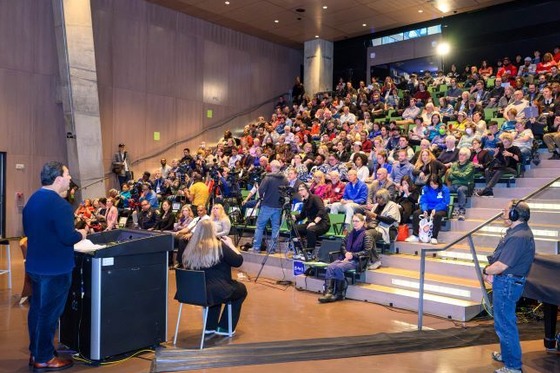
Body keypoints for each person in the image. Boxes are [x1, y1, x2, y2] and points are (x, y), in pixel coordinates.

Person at [23, 161, 88, 371]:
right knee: (49, 315)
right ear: (58, 178)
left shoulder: (33, 199)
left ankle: (37, 352)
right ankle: (44, 357)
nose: (70, 179)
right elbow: (68, 237)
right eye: (67, 175)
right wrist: (82, 234)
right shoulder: (60, 205)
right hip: (55, 270)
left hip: (35, 266)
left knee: (37, 311)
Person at [483, 200, 535, 373]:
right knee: (502, 323)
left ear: (515, 214)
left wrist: (487, 270)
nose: (503, 213)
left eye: (506, 210)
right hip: (506, 281)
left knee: (505, 324)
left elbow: (501, 265)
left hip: (507, 283)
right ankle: (507, 355)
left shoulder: (519, 237)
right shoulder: (515, 232)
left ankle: (513, 366)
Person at [181, 220, 247, 335]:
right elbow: (238, 261)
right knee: (241, 290)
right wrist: (231, 245)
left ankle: (210, 326)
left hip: (194, 292)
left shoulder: (190, 247)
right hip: (216, 291)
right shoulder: (219, 246)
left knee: (214, 289)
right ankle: (225, 327)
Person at [318, 213, 373, 303]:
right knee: (331, 266)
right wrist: (346, 253)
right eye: (353, 221)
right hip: (346, 258)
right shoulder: (350, 233)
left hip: (357, 260)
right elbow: (342, 245)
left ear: (363, 222)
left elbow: (367, 251)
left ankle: (340, 293)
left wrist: (352, 255)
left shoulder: (367, 235)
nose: (355, 223)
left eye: (357, 221)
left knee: (339, 267)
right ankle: (328, 293)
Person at [251, 160, 289, 252]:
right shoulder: (285, 179)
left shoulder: (267, 178)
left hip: (267, 205)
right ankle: (272, 249)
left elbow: (261, 190)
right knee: (275, 227)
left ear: (272, 167)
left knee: (260, 226)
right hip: (278, 206)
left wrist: (260, 196)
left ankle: (256, 247)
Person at [406, 174, 450, 245]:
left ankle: (434, 237)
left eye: (435, 184)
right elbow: (423, 200)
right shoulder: (425, 188)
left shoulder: (444, 189)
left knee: (437, 215)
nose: (433, 186)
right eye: (432, 184)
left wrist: (436, 209)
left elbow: (445, 202)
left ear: (439, 183)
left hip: (441, 209)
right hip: (428, 207)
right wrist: (425, 210)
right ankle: (415, 235)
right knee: (416, 213)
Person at [293, 184, 331, 259]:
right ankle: (301, 250)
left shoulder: (315, 198)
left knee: (311, 229)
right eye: (299, 190)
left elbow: (322, 210)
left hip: (322, 224)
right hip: (311, 223)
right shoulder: (305, 201)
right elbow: (302, 216)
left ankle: (310, 253)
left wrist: (315, 222)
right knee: (295, 228)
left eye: (302, 190)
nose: (300, 192)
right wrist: (294, 217)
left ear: (307, 190)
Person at [447, 148, 475, 221]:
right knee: (443, 189)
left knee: (461, 189)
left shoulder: (471, 165)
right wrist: (459, 175)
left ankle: (461, 212)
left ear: (467, 157)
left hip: (466, 186)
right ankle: (445, 209)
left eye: (464, 155)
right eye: (460, 154)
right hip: (454, 185)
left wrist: (454, 173)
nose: (461, 157)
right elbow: (449, 177)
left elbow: (465, 176)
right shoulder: (454, 164)